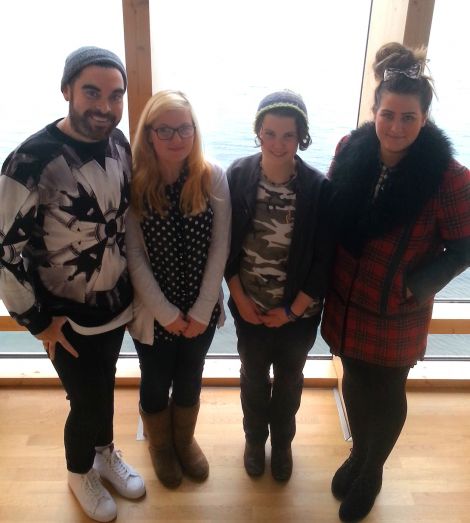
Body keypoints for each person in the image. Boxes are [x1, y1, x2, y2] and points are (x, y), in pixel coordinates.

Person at [321, 42, 470, 522]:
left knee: (385, 395)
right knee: (353, 384)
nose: (396, 126)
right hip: (346, 299)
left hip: (397, 310)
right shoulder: (350, 147)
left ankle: (371, 470)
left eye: (408, 117)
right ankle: (358, 455)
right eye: (388, 114)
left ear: (424, 117)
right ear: (374, 110)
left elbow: (466, 245)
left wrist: (417, 284)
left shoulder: (449, 178)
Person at [0, 46, 145, 522]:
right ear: (66, 90)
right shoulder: (29, 161)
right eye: (91, 92)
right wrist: (36, 320)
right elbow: (3, 248)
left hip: (115, 307)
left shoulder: (120, 144)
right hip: (62, 317)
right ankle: (78, 468)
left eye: (115, 95)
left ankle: (104, 452)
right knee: (84, 399)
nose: (104, 106)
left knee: (104, 387)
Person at [126, 90, 231, 488]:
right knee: (154, 380)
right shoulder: (134, 184)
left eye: (184, 128)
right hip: (154, 316)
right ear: (149, 134)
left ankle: (183, 441)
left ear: (194, 130)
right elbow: (134, 256)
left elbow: (221, 246)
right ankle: (160, 446)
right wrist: (166, 314)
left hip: (200, 311)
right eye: (165, 129)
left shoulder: (212, 176)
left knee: (190, 377)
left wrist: (202, 311)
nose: (176, 138)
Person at [225, 90, 332, 482]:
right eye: (270, 133)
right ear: (258, 133)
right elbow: (225, 245)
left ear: (301, 136)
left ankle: (282, 442)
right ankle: (255, 440)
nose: (278, 143)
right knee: (253, 377)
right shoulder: (237, 175)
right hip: (248, 307)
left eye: (288, 135)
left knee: (289, 380)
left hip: (299, 315)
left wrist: (292, 310)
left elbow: (324, 259)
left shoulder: (318, 188)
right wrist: (238, 297)